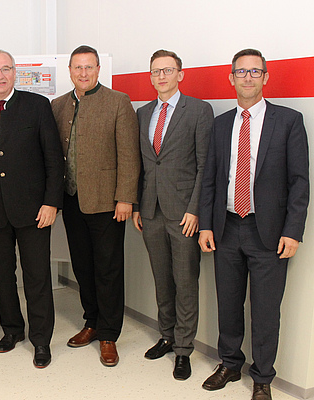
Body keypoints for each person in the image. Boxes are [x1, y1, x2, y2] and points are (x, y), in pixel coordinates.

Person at [199, 49, 309, 400]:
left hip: (270, 232)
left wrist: (293, 230)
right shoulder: (220, 124)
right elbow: (211, 180)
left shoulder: (289, 121)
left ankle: (262, 376)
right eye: (240, 71)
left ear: (265, 78)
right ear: (231, 78)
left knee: (265, 310)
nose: (247, 77)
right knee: (228, 303)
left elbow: (300, 182)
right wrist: (205, 225)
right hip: (227, 227)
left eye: (254, 71)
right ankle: (230, 363)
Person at [0, 49, 64, 369]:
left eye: (5, 69)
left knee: (36, 277)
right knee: (2, 276)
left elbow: (53, 158)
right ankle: (13, 330)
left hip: (34, 211)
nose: (0, 76)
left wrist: (51, 202)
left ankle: (41, 340)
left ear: (15, 72)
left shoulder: (36, 106)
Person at [51, 45, 140, 367]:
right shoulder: (58, 105)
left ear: (98, 69)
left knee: (108, 270)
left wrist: (126, 198)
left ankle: (108, 335)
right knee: (83, 267)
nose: (83, 73)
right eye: (78, 68)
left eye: (89, 67)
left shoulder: (118, 102)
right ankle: (91, 321)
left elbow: (129, 154)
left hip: (108, 203)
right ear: (70, 71)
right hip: (72, 200)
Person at [133, 50, 214, 380]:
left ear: (180, 74)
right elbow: (141, 164)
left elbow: (204, 166)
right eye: (155, 71)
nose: (161, 76)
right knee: (162, 279)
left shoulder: (198, 110)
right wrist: (138, 205)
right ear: (150, 77)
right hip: (150, 211)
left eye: (167, 70)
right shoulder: (143, 113)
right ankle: (166, 335)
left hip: (183, 214)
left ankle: (183, 349)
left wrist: (195, 209)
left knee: (184, 281)